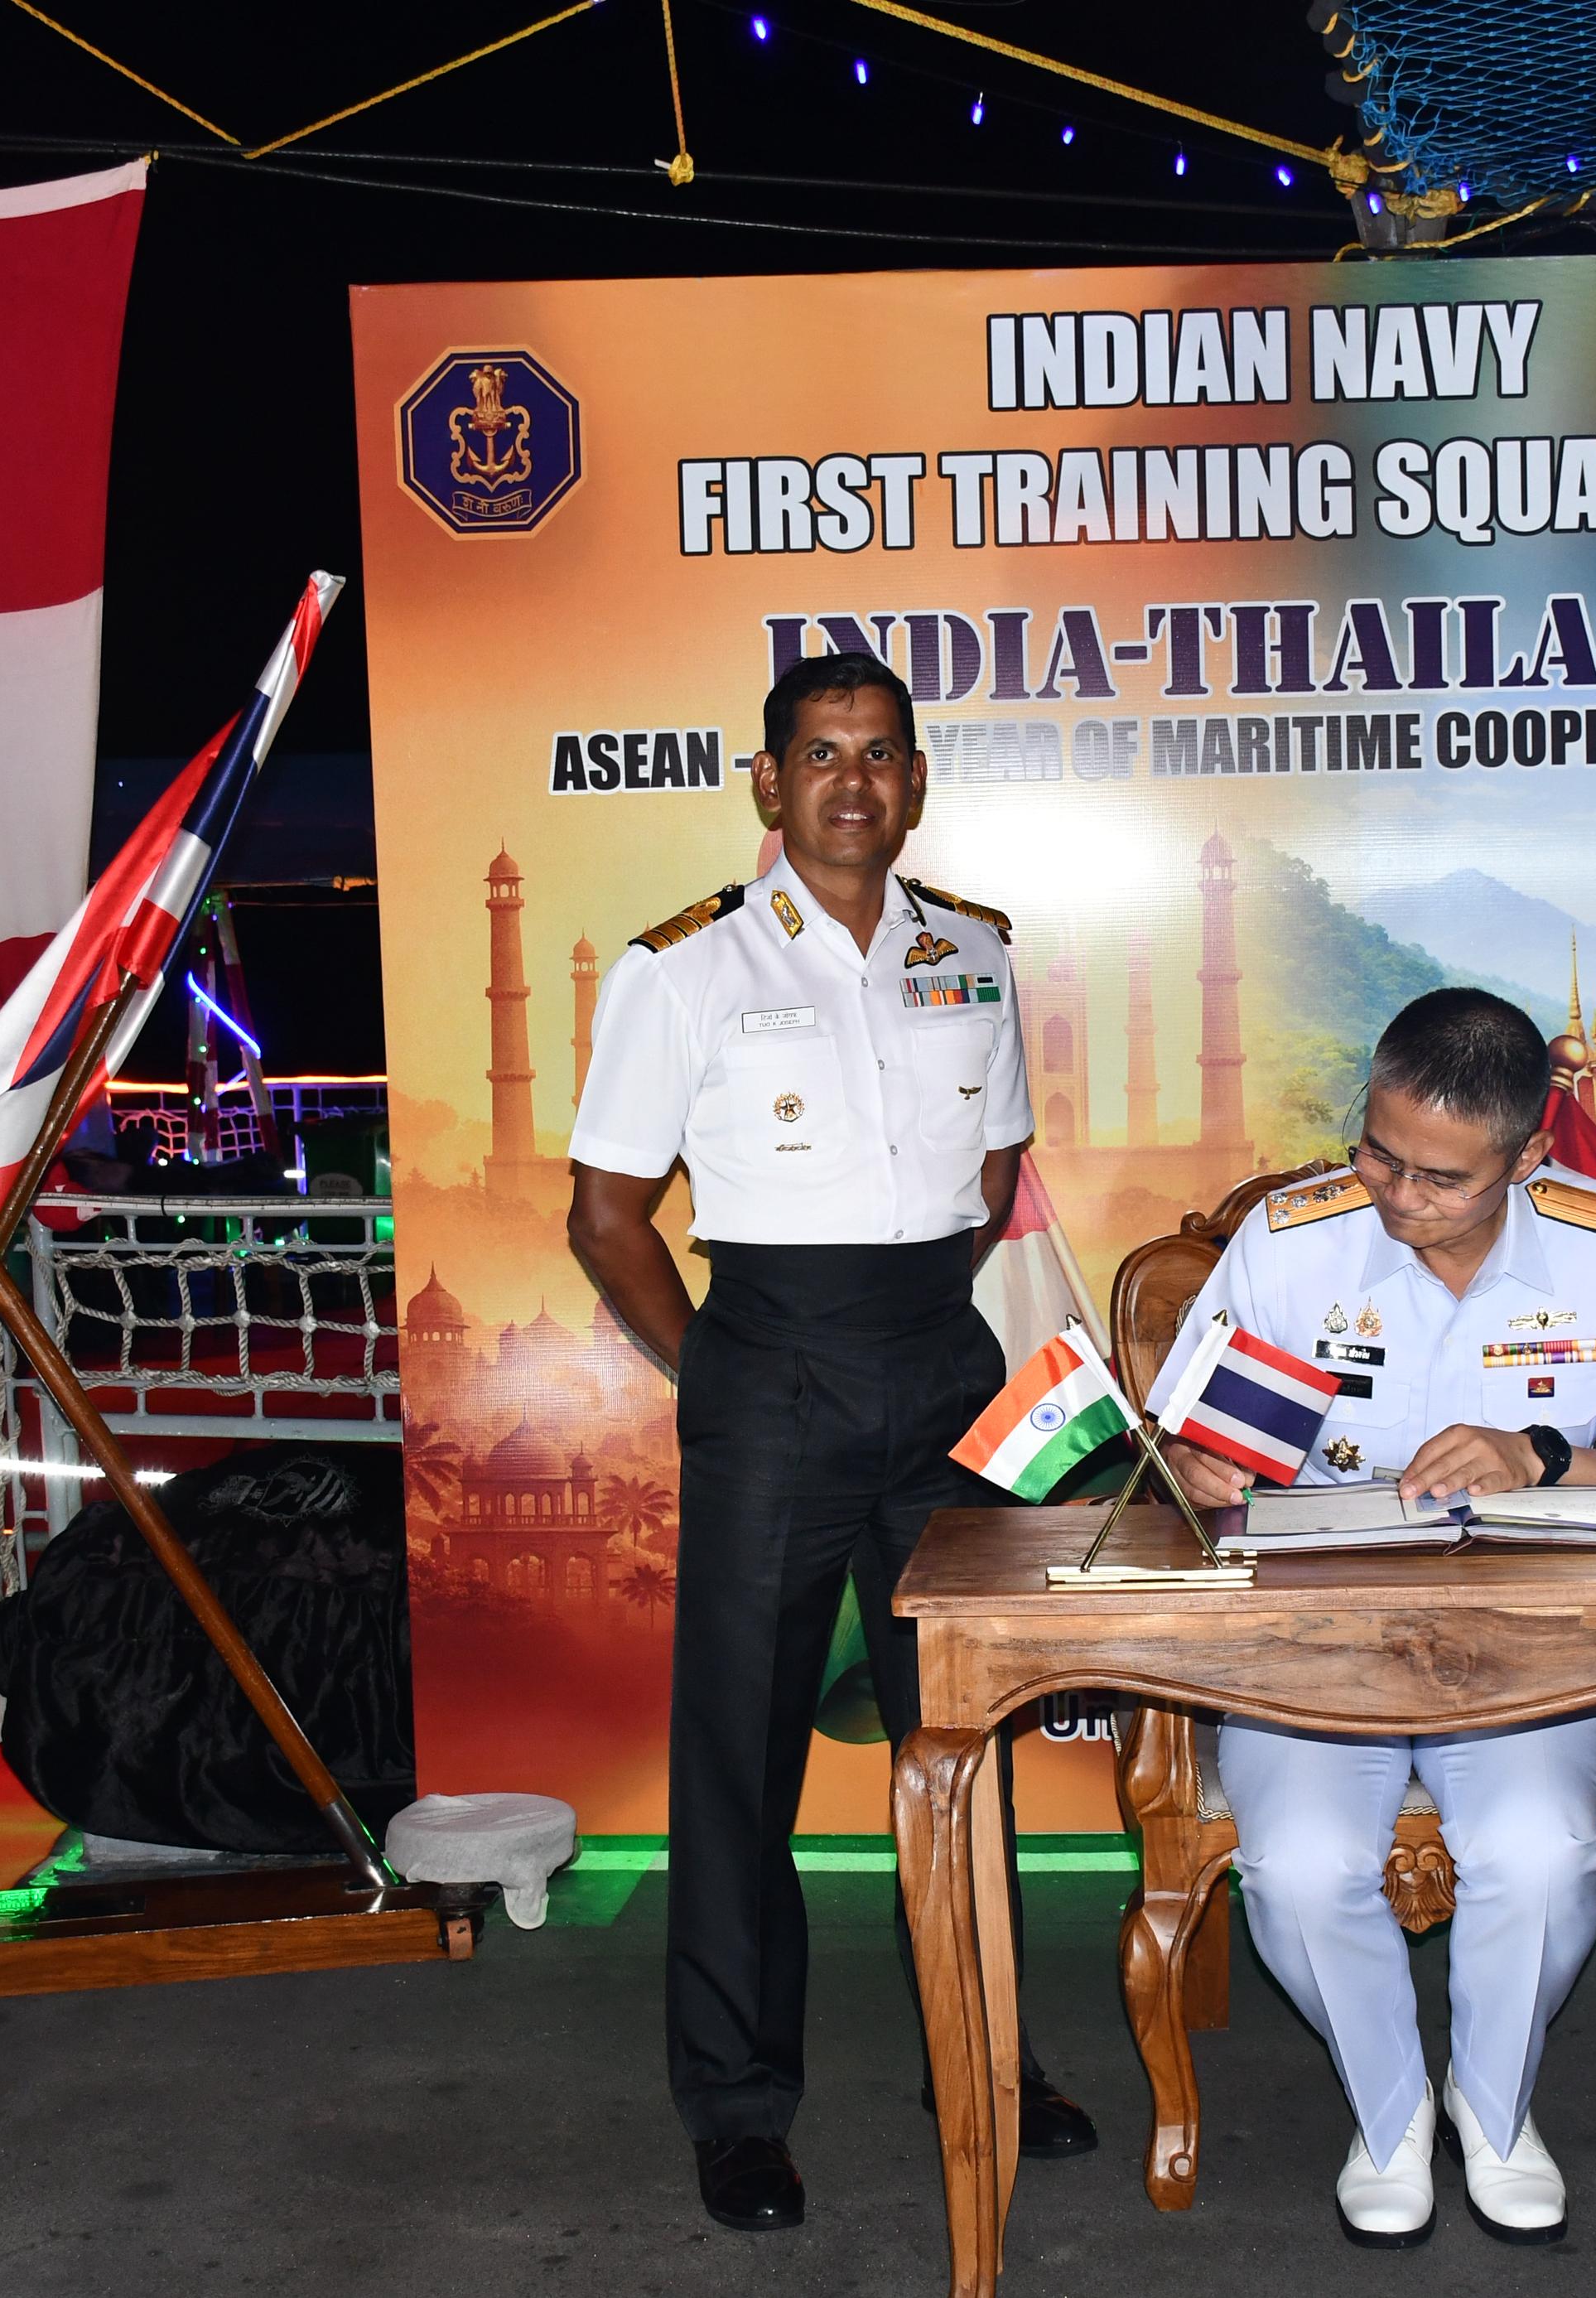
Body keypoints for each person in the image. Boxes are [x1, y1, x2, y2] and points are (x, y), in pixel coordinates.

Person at [567, 649, 1093, 2235]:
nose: (851, 783)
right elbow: (605, 1218)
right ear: (767, 783)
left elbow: (995, 1171)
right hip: (773, 1380)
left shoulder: (977, 955)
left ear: (915, 780)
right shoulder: (687, 972)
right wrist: (716, 1372)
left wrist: (921, 1302)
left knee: (962, 1741)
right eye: (819, 755)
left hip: (941, 1374)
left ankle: (987, 2058)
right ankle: (737, 2108)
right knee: (738, 1758)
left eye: (879, 754)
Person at [1146, 988, 1596, 2247]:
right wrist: (1196, 1466)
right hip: (1313, 1654)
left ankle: (1496, 2107)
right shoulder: (1292, 1246)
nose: (1401, 1196)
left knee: (1540, 1849)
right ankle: (1394, 2105)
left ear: (1529, 1157)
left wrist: (1543, 1453)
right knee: (1294, 1868)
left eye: (1445, 1180)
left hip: (1528, 1657)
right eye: (1379, 1154)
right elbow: (1183, 1439)